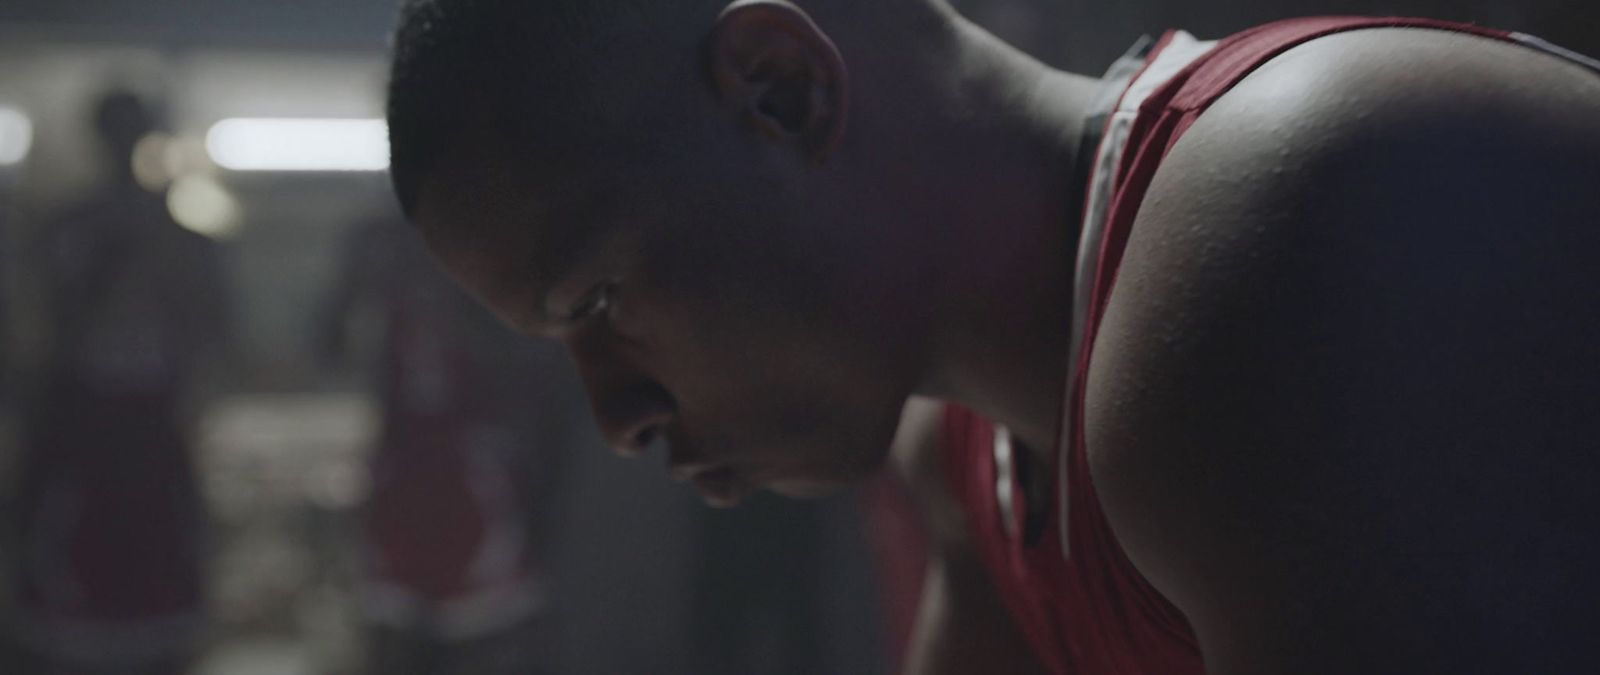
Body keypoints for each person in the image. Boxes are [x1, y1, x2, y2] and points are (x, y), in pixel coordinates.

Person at [383, 1, 1600, 673]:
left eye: (594, 304)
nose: (616, 416)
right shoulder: (968, 456)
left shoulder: (1293, 220)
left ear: (780, 91)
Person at [10, 90, 229, 675]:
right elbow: (37, 335)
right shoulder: (68, 231)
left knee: (158, 586)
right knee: (72, 585)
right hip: (81, 426)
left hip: (150, 426)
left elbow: (207, 331)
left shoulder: (178, 237)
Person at [319, 214, 574, 675]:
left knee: (484, 631)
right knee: (394, 629)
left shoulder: (495, 252)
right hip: (403, 475)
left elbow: (538, 365)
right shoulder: (382, 250)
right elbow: (326, 345)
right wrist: (360, 278)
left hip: (479, 474)